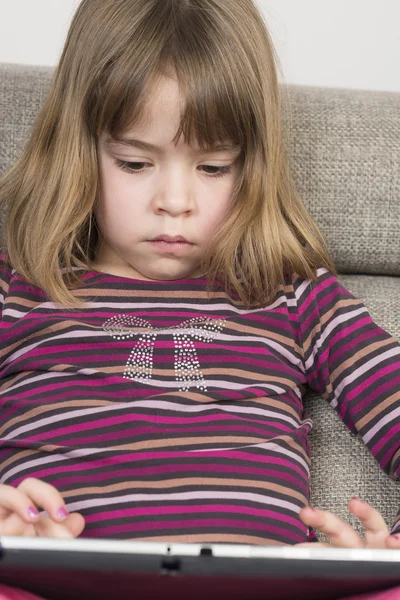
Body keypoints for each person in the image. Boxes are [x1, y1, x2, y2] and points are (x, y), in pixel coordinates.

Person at [1, 0, 400, 598]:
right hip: (50, 583)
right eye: (135, 162)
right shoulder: (19, 284)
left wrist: (380, 555)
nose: (176, 200)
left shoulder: (290, 292)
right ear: (77, 149)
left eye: (214, 166)